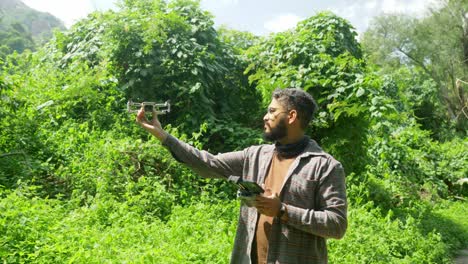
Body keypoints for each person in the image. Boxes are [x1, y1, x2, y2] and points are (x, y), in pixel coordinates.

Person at [136, 88, 347, 264]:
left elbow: (337, 225)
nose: (265, 116)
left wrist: (282, 210)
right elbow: (207, 163)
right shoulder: (255, 155)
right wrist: (162, 135)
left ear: (291, 116)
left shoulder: (324, 166)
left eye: (272, 111)